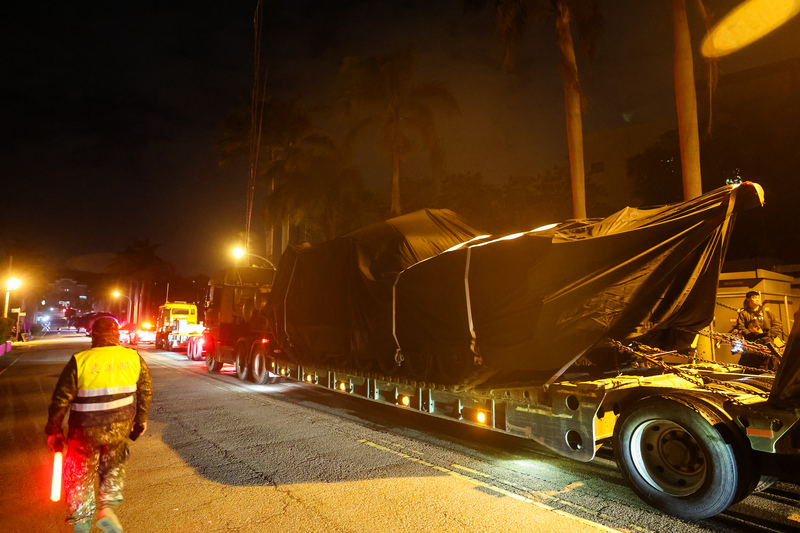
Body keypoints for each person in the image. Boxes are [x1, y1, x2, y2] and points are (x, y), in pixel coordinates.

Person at [45, 317, 153, 533]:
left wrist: (54, 430)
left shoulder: (80, 360)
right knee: (113, 468)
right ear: (117, 335)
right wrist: (140, 421)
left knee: (79, 476)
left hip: (84, 431)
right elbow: (145, 391)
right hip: (119, 428)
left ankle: (82, 523)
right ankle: (108, 509)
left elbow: (60, 400)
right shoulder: (133, 357)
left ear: (93, 335)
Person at [735, 291, 783, 369]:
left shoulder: (768, 312)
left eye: (758, 297)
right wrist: (751, 335)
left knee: (770, 363)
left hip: (768, 341)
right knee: (752, 364)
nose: (757, 299)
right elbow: (741, 327)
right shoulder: (743, 314)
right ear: (748, 300)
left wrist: (770, 336)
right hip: (752, 343)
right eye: (754, 297)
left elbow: (777, 325)